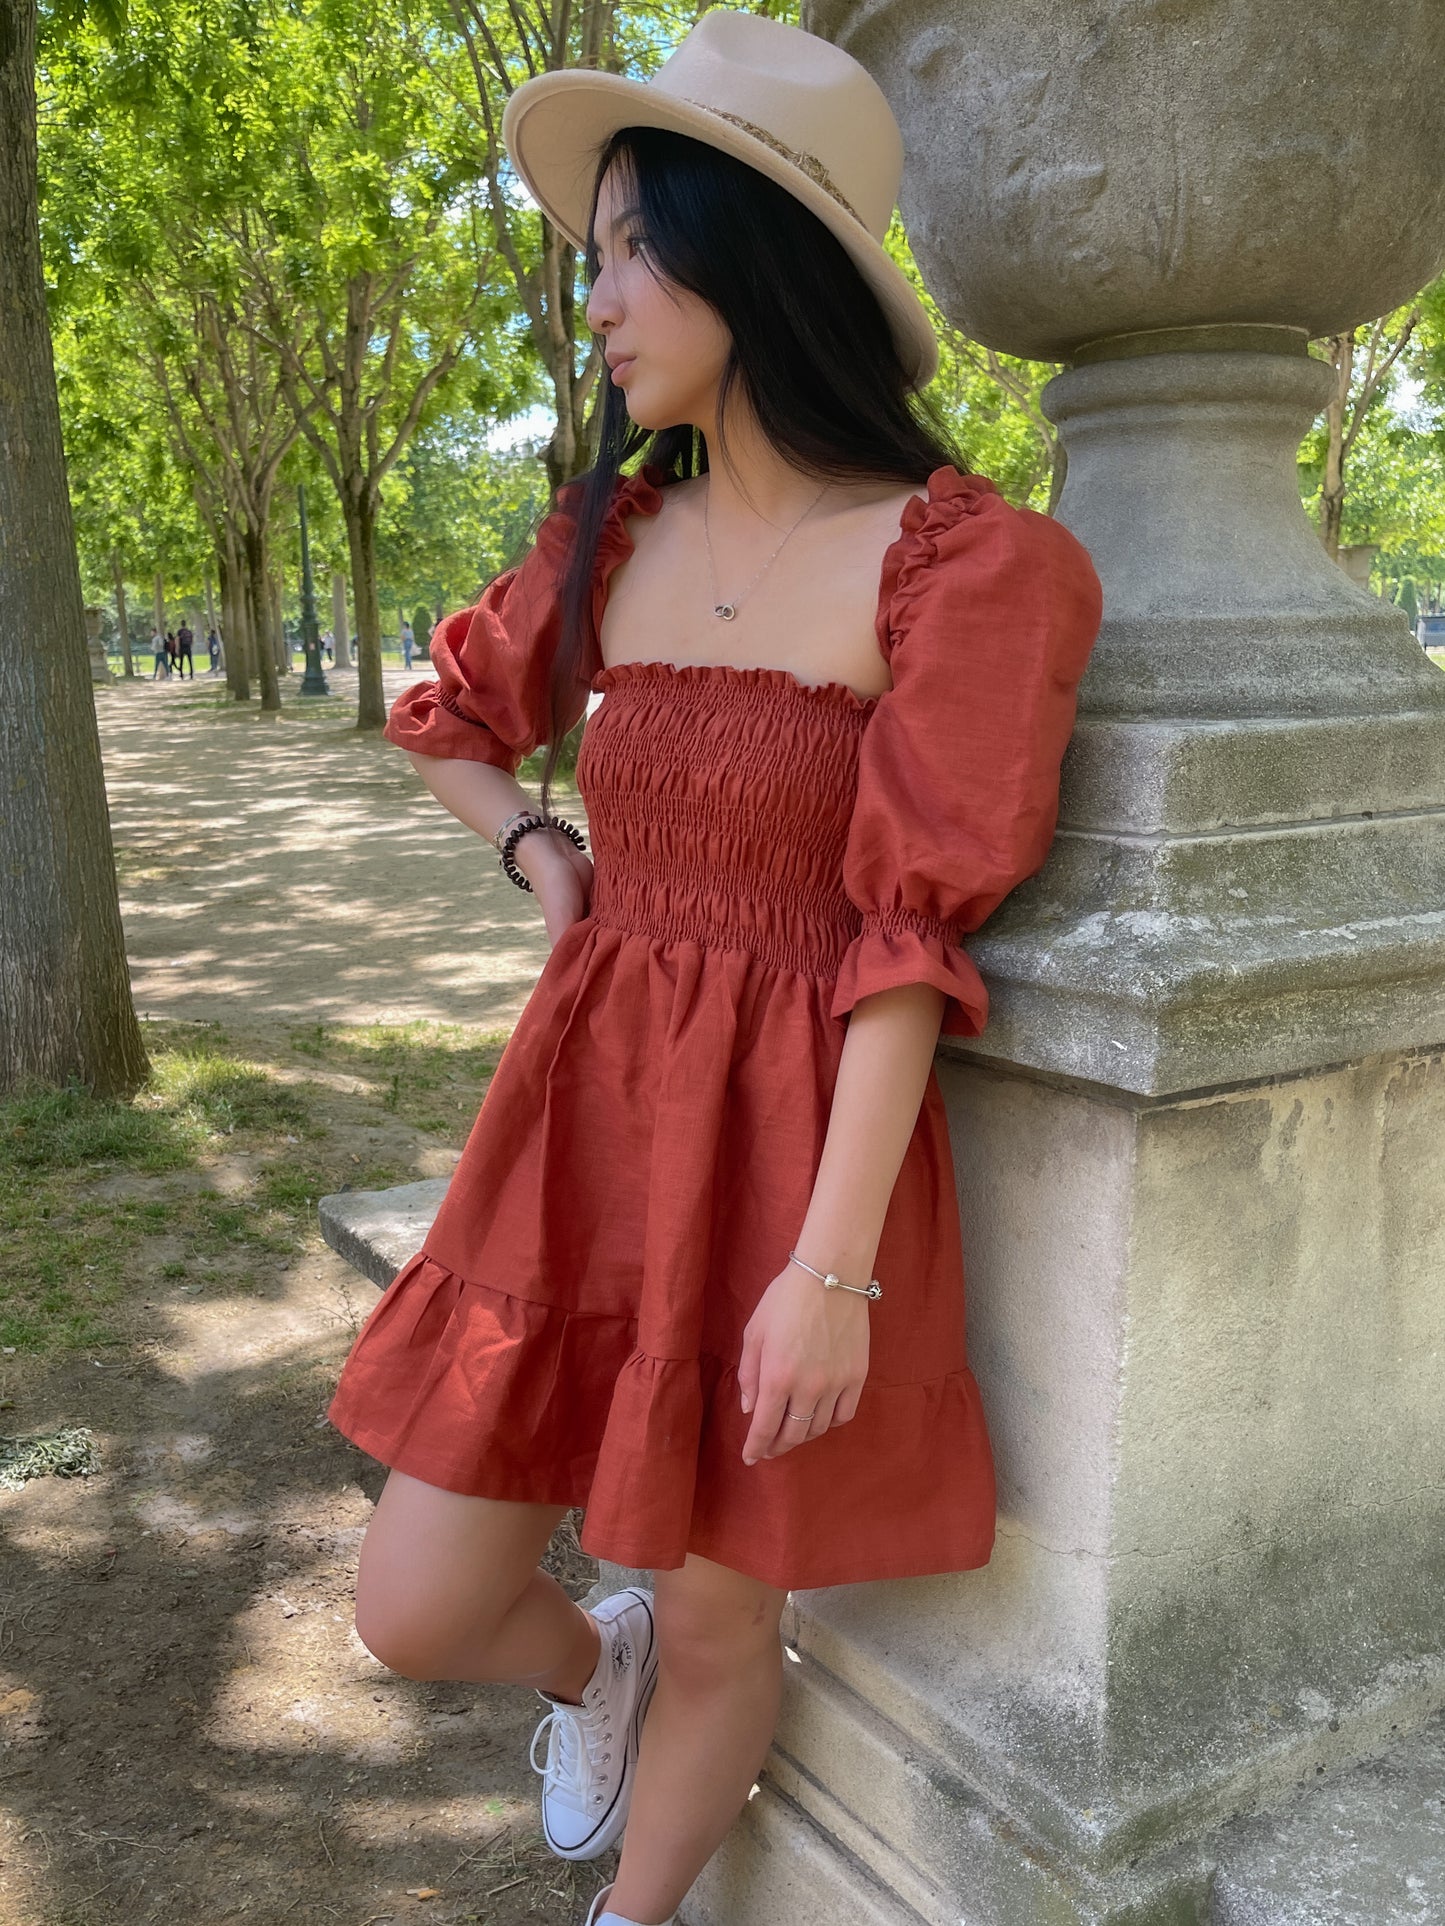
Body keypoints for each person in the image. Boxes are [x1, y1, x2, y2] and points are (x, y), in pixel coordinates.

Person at [325, 14, 1104, 1926]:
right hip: (586, 1113)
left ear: (744, 256)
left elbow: (911, 935)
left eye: (620, 248)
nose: (590, 299)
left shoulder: (966, 568)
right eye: (590, 254)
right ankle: (592, 1667)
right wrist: (538, 847)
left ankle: (637, 1912)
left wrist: (829, 1272)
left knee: (727, 1587)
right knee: (413, 1599)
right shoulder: (611, 539)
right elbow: (442, 720)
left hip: (795, 1146)